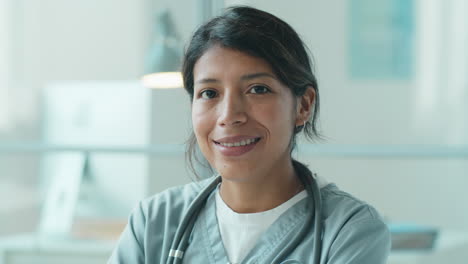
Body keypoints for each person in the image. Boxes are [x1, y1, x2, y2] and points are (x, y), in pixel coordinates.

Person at [108, 6, 391, 264]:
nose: (229, 115)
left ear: (303, 105)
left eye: (258, 89)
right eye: (209, 93)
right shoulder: (155, 221)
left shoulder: (349, 230)